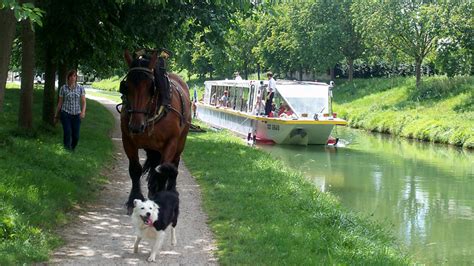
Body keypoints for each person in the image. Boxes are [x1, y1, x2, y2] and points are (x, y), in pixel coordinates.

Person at [54, 70, 86, 151]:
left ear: (76, 78)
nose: (73, 78)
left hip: (77, 115)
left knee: (76, 136)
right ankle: (67, 150)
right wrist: (56, 115)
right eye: (71, 76)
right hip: (66, 114)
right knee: (67, 132)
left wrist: (83, 112)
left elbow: (83, 102)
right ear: (68, 78)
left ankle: (72, 148)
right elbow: (60, 103)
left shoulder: (80, 88)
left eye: (74, 76)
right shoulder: (63, 88)